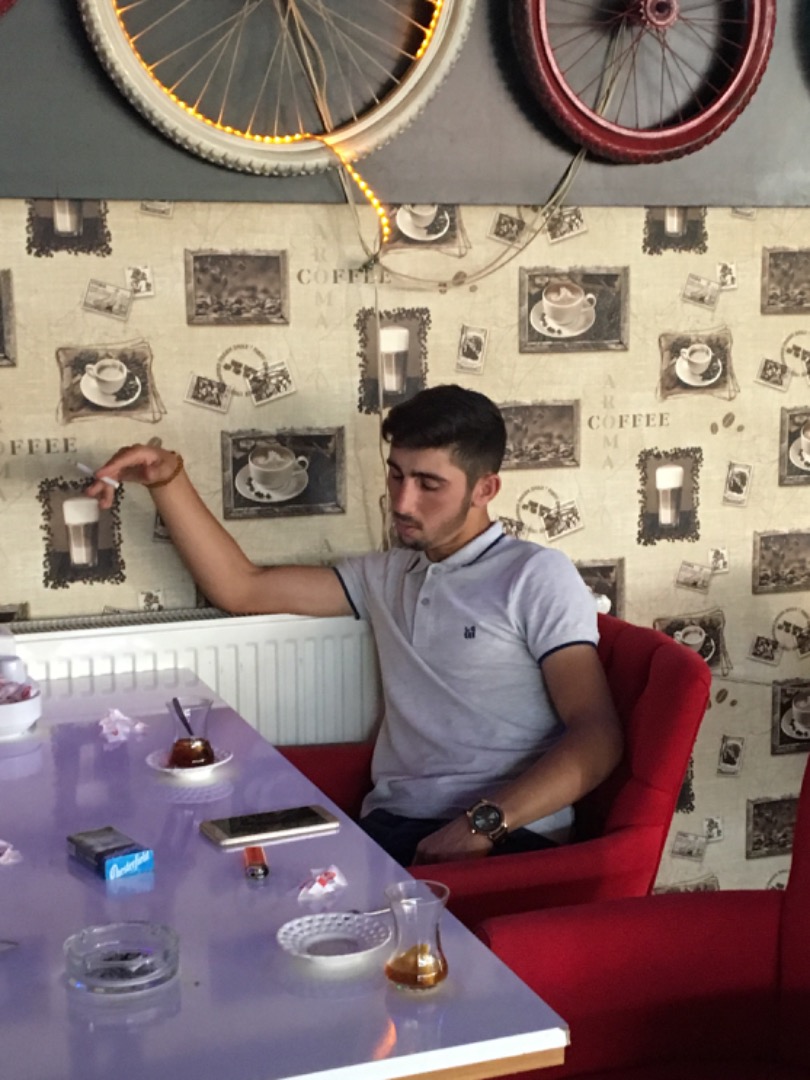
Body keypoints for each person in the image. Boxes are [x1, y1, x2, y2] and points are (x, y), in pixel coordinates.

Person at [87, 385, 622, 867]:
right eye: (397, 474)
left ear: (486, 489)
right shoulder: (388, 574)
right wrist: (167, 480)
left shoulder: (535, 574)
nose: (403, 502)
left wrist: (482, 825)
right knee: (218, 871)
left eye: (429, 484)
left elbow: (597, 737)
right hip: (392, 825)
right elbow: (241, 588)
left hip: (506, 838)